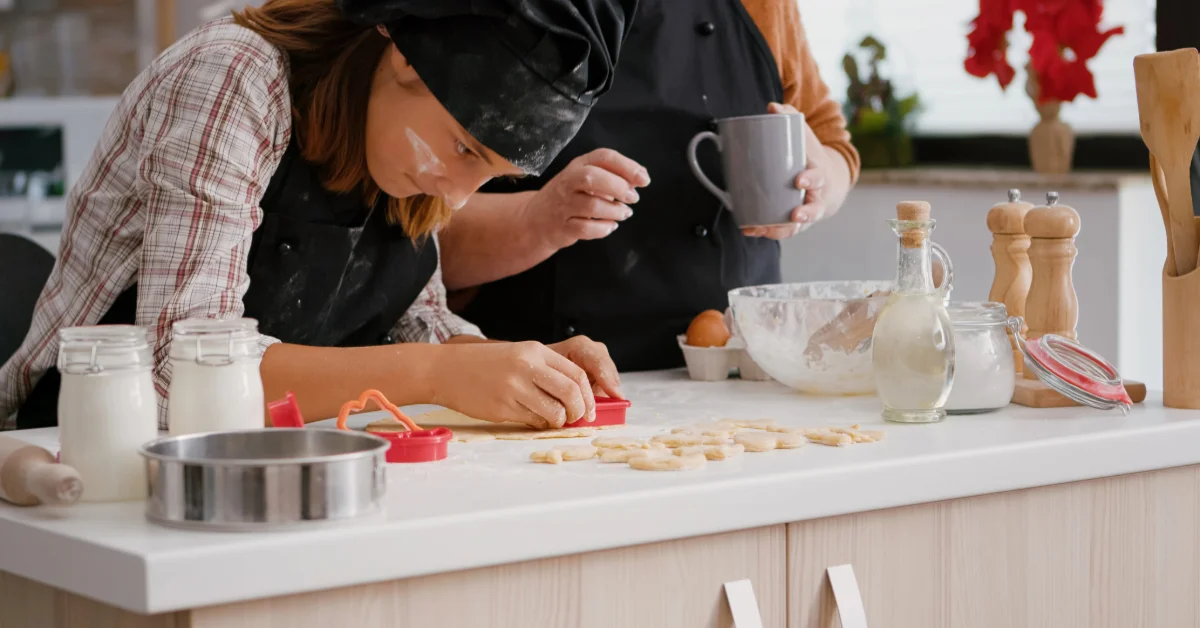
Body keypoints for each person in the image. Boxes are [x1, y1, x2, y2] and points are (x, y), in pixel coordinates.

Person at [0, 0, 637, 431]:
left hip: (261, 460)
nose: (462, 195)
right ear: (403, 59)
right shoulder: (234, 76)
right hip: (75, 453)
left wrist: (523, 368)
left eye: (493, 174)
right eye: (464, 147)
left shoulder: (405, 155)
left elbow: (415, 323)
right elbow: (182, 370)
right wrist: (441, 374)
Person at [440, 0, 861, 372]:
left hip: (739, 371)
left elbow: (833, 145)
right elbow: (415, 240)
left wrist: (821, 184)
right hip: (551, 383)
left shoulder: (766, 5)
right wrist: (536, 219)